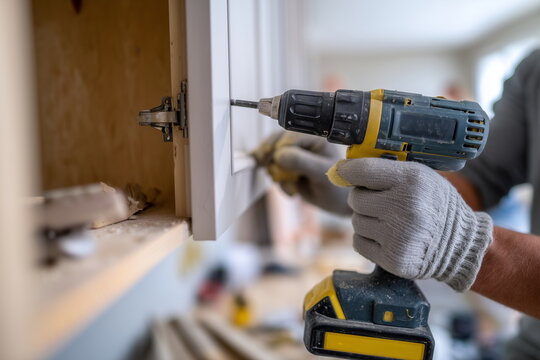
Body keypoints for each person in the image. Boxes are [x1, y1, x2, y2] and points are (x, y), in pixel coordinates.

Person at [255, 50, 540, 358]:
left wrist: (462, 247)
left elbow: (461, 213)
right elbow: (477, 179)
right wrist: (365, 185)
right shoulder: (535, 69)